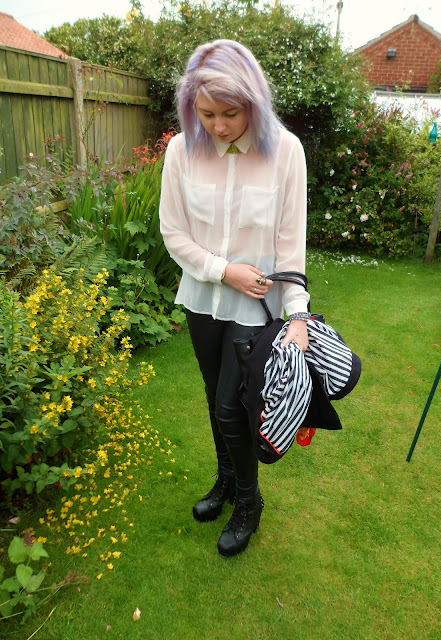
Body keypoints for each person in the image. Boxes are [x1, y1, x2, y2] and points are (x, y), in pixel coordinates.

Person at [159, 39, 310, 557]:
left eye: (230, 112)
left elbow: (290, 241)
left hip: (257, 305)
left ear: (254, 102)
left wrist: (298, 314)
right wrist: (224, 271)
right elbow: (173, 233)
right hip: (202, 299)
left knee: (231, 406)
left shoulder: (285, 151)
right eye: (206, 114)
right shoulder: (180, 151)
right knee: (212, 396)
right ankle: (226, 480)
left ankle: (249, 501)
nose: (218, 126)